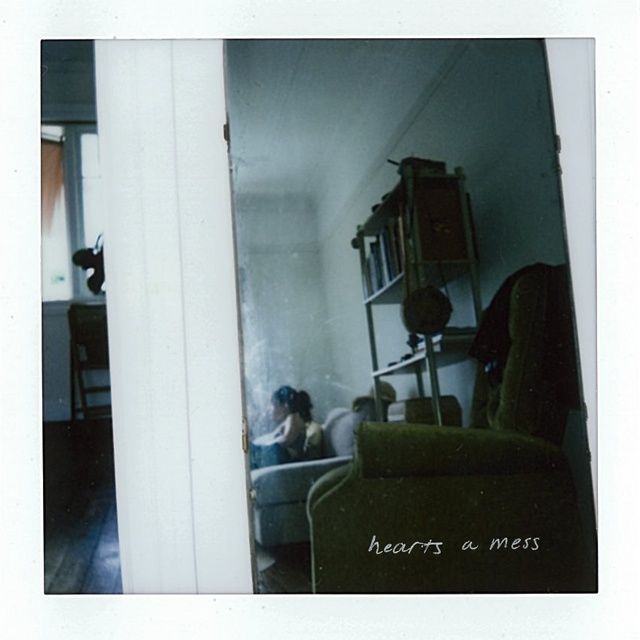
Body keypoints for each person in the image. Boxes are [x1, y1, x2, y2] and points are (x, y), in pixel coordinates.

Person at [250, 386, 307, 468]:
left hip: (283, 462)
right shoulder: (287, 421)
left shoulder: (293, 417)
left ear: (285, 406)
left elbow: (286, 440)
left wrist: (262, 448)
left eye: (273, 405)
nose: (270, 409)